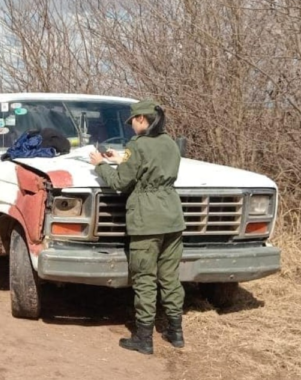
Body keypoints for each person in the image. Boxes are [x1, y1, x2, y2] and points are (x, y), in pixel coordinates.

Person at [89, 99, 186, 355]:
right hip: (172, 216)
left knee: (144, 278)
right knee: (170, 277)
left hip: (147, 218)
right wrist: (121, 157)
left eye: (132, 121)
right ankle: (176, 332)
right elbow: (152, 164)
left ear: (141, 119)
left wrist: (100, 164)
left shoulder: (137, 145)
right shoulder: (170, 143)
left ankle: (144, 338)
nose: (131, 126)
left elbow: (120, 181)